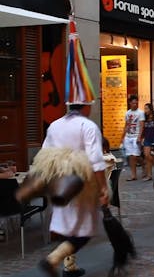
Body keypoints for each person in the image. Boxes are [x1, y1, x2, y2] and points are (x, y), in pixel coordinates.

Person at [35, 102, 109, 277]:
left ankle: (70, 267)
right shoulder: (88, 125)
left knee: (67, 226)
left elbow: (45, 153)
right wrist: (103, 188)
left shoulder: (55, 125)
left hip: (60, 183)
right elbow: (96, 161)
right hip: (82, 185)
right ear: (86, 107)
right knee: (84, 231)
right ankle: (52, 260)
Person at [121, 95, 145, 181]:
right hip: (128, 136)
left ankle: (143, 164)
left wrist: (140, 136)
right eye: (133, 103)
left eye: (136, 103)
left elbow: (142, 125)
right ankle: (133, 174)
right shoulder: (127, 113)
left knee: (135, 156)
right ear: (130, 103)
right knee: (131, 156)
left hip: (136, 136)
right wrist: (123, 136)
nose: (135, 104)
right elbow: (126, 125)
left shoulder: (140, 113)